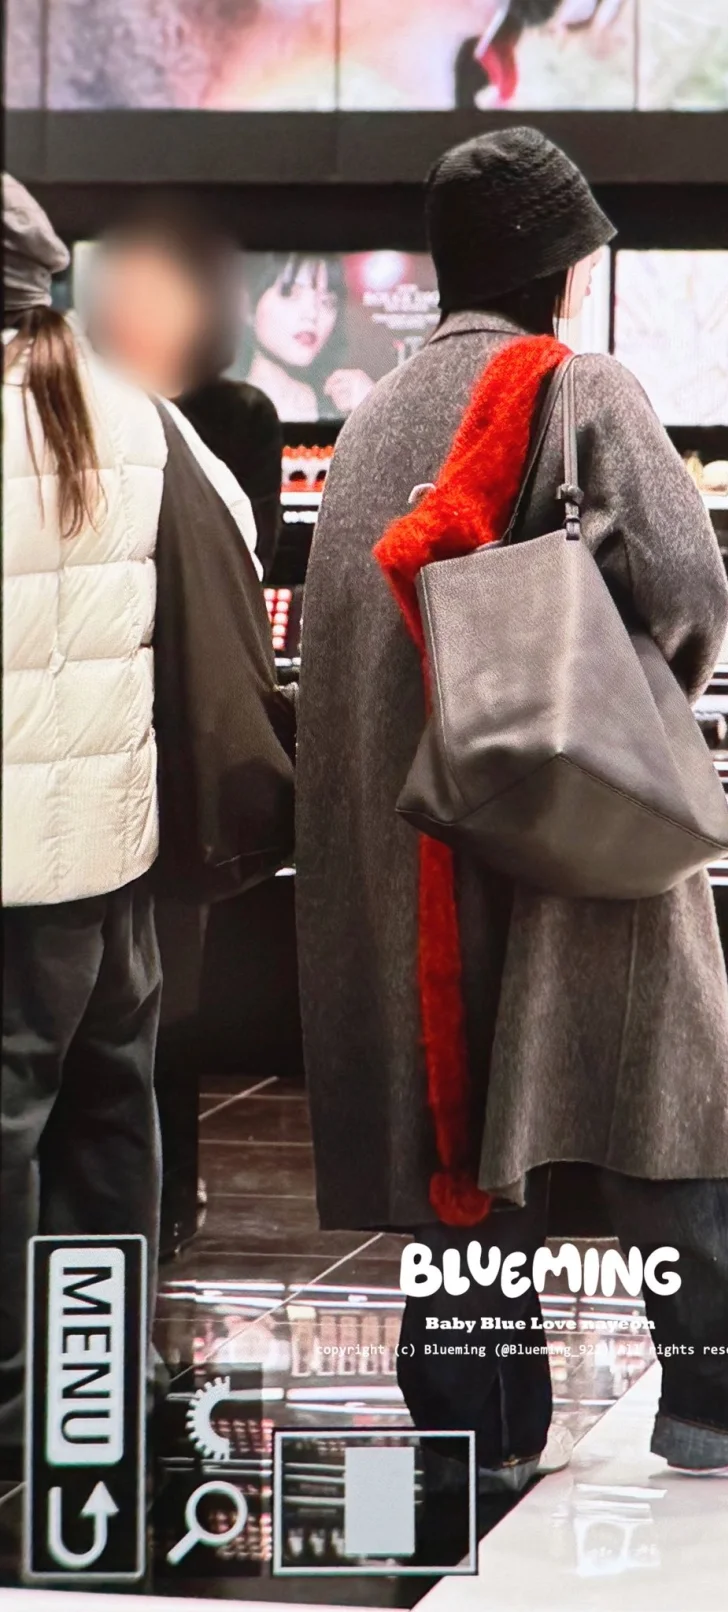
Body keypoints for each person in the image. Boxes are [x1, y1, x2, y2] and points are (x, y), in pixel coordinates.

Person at [295, 128, 728, 1487]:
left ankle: (477, 1420)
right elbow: (693, 595)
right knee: (663, 1094)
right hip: (571, 830)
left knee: (465, 1128)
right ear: (556, 266)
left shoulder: (372, 417)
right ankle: (727, 1396)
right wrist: (640, 713)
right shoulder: (585, 385)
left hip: (417, 846)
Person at [1, 174, 259, 1476]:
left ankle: (8, 1408)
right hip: (116, 852)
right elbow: (236, 543)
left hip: (11, 869)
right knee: (110, 1116)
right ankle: (94, 1390)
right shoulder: (133, 409)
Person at [86, 213, 283, 575]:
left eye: (160, 300)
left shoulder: (245, 415)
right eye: (129, 297)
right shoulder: (79, 409)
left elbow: (251, 561)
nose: (142, 318)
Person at [232, 253, 376, 424]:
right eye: (290, 293)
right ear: (246, 306)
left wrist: (375, 412)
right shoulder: (216, 412)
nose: (312, 314)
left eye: (327, 302)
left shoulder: (348, 408)